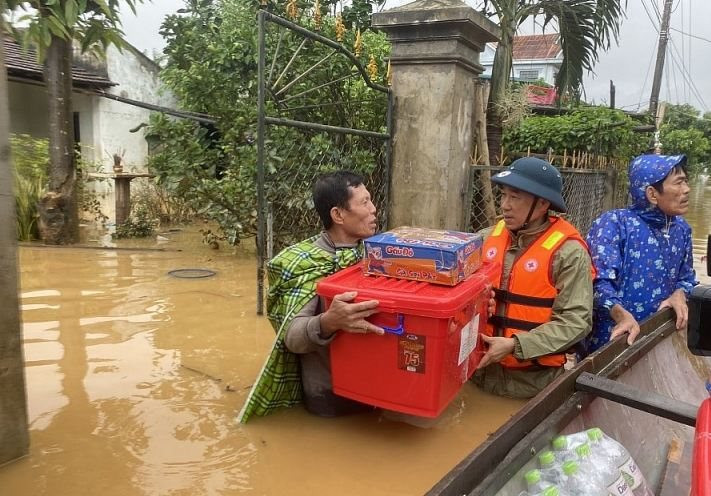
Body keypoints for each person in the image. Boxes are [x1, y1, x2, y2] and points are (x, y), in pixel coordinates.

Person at [238, 170, 384, 422]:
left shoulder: (376, 255)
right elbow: (292, 337)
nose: (373, 209)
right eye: (364, 203)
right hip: (329, 398)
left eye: (370, 200)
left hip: (376, 389)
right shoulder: (306, 263)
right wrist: (329, 321)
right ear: (338, 215)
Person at [473, 157, 594, 399]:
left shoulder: (568, 253)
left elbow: (575, 322)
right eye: (504, 195)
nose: (505, 205)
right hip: (478, 375)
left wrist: (515, 346)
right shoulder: (484, 239)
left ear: (542, 204)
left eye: (515, 197)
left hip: (534, 384)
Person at [585, 154, 697, 353]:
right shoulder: (614, 224)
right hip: (612, 339)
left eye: (685, 182)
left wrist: (679, 294)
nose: (686, 190)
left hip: (658, 337)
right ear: (652, 194)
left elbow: (687, 277)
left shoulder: (682, 229)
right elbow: (597, 284)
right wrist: (621, 315)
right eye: (679, 183)